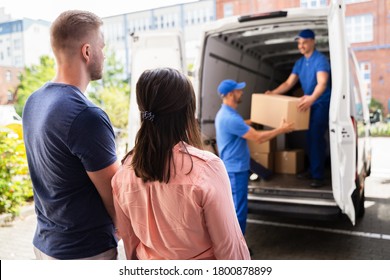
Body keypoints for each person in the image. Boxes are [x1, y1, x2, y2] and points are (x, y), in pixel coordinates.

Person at [112, 68, 250, 260]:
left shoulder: (123, 174)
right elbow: (230, 249)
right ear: (187, 112)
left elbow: (130, 242)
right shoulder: (206, 168)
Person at [22, 10, 119, 260]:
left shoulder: (34, 101)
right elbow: (115, 198)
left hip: (45, 245)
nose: (104, 54)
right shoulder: (87, 116)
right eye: (102, 46)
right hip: (85, 253)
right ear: (87, 52)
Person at [215, 79, 294, 235]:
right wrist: (281, 129)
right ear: (231, 94)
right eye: (238, 90)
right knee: (239, 210)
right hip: (236, 170)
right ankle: (237, 252)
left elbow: (241, 124)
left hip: (234, 166)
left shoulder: (225, 113)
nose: (241, 92)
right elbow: (258, 138)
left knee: (236, 208)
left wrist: (258, 118)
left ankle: (235, 247)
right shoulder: (230, 118)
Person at [265, 29, 332, 188]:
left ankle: (318, 176)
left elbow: (322, 83)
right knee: (308, 139)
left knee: (315, 137)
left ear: (313, 42)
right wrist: (272, 93)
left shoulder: (320, 60)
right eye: (299, 43)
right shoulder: (300, 63)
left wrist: (312, 98)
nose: (301, 46)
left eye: (304, 42)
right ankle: (312, 169)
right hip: (307, 103)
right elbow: (289, 84)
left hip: (320, 103)